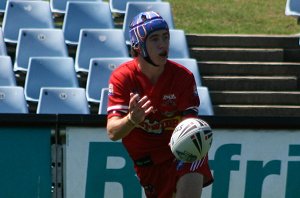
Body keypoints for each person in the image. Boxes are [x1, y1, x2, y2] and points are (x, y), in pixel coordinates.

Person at [106, 11, 213, 198]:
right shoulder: (123, 77)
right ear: (138, 46)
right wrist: (131, 120)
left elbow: (190, 125)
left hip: (182, 154)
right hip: (148, 166)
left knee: (193, 162)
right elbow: (113, 132)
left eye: (165, 37)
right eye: (154, 39)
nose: (163, 44)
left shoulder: (183, 77)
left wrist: (197, 133)